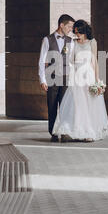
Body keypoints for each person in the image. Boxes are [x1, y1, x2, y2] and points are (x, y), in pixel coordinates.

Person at [52, 20, 108, 142]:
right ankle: (79, 130)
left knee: (90, 104)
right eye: (75, 32)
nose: (76, 34)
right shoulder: (72, 43)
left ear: (85, 31)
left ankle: (90, 132)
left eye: (79, 32)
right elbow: (66, 58)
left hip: (88, 75)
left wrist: (96, 80)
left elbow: (94, 61)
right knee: (78, 104)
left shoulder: (92, 42)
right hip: (77, 75)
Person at [38, 14, 75, 142]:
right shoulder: (47, 40)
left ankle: (64, 132)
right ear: (61, 25)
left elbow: (72, 61)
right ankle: (53, 133)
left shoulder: (70, 41)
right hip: (52, 78)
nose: (71, 29)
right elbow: (42, 61)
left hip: (66, 77)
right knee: (52, 106)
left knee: (65, 105)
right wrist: (42, 79)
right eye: (69, 27)